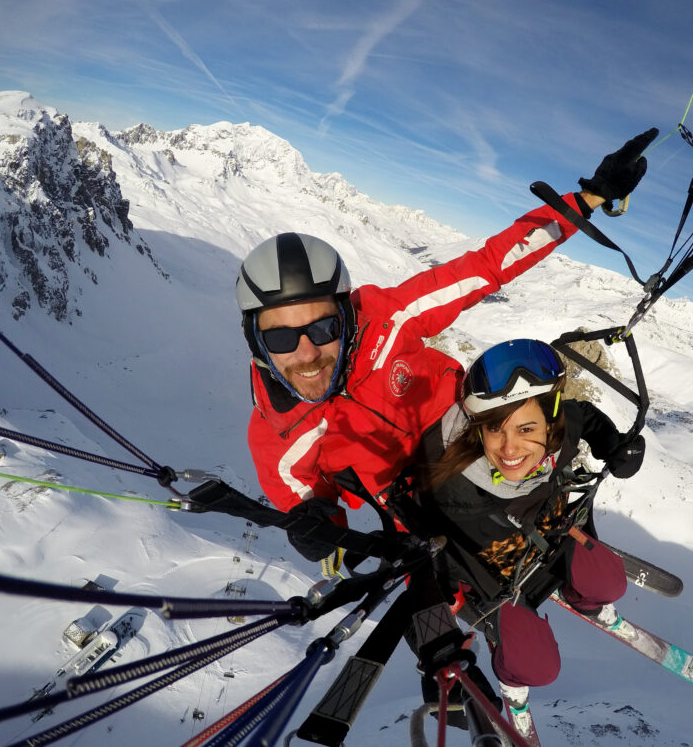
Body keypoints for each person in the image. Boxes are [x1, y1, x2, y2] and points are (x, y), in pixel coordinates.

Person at [234, 128, 658, 562]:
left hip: (471, 428)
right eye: (282, 337)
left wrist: (587, 199)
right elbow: (301, 496)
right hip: (416, 499)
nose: (306, 353)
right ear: (257, 342)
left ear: (344, 317)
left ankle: (571, 505)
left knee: (531, 413)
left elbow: (488, 265)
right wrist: (316, 524)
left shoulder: (387, 321)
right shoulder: (278, 432)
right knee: (452, 562)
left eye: (323, 328)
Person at [413, 338, 646, 722]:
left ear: (549, 418)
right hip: (495, 587)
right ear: (477, 427)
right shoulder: (455, 489)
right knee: (538, 669)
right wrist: (434, 641)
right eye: (495, 429)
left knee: (609, 585)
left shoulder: (560, 428)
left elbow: (583, 414)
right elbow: (424, 556)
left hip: (551, 541)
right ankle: (511, 672)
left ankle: (583, 598)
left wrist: (612, 446)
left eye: (526, 428)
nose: (510, 448)